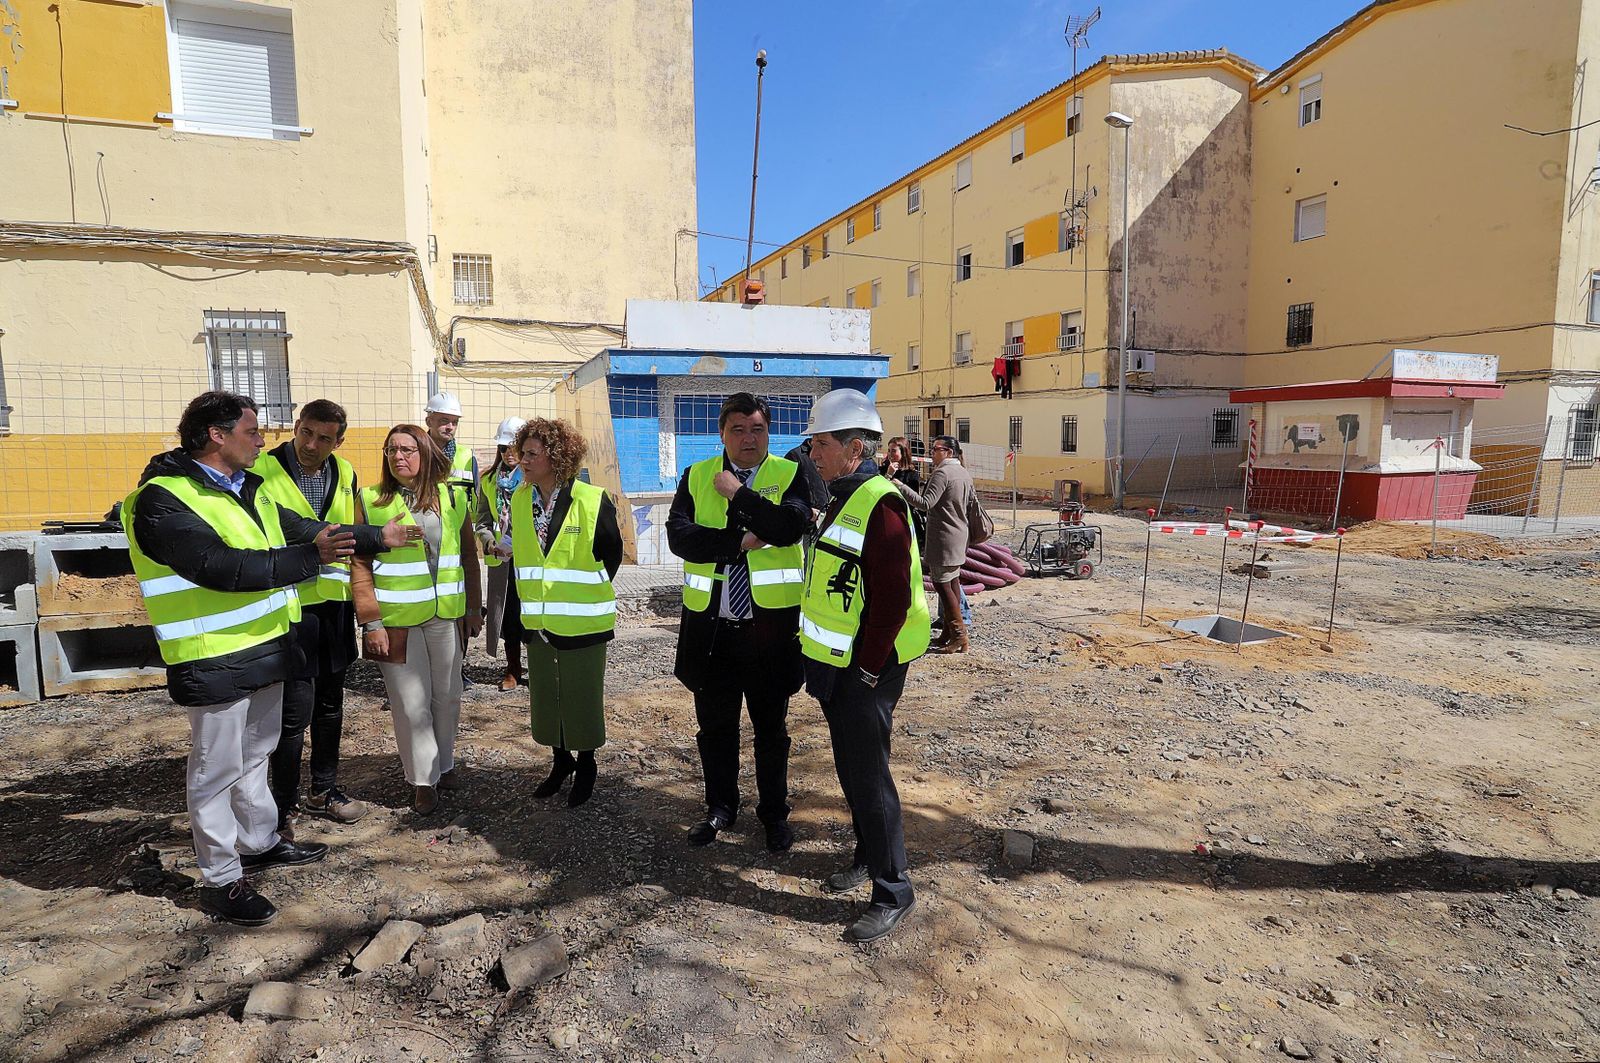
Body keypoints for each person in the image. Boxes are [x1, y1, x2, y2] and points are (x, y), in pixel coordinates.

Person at [124, 391, 404, 927]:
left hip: (267, 649)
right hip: (213, 657)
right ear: (217, 435)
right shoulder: (163, 500)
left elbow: (305, 529)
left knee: (257, 753)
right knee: (215, 770)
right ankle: (222, 879)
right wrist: (308, 559)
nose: (261, 440)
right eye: (252, 431)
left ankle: (258, 840)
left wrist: (377, 537)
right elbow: (219, 566)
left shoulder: (247, 489)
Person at [800, 389, 931, 944]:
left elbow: (893, 600)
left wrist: (871, 670)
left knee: (870, 777)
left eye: (822, 443)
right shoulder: (842, 494)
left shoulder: (882, 505)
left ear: (855, 448)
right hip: (840, 664)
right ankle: (865, 854)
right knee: (853, 770)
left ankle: (893, 890)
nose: (813, 452)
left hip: (866, 668)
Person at [253, 399, 412, 835]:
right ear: (297, 426)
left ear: (339, 441)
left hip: (335, 604)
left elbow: (351, 547)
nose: (312, 444)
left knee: (329, 706)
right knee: (292, 713)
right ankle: (281, 806)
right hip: (288, 607)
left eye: (325, 438)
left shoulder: (345, 473)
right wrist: (373, 536)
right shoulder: (261, 471)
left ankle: (323, 790)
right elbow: (291, 525)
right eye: (306, 432)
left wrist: (365, 607)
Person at [666, 393, 811, 852]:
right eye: (738, 430)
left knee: (772, 733)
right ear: (722, 434)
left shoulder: (791, 473)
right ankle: (720, 809)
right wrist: (739, 542)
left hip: (768, 635)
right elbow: (680, 537)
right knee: (716, 731)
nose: (748, 439)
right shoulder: (695, 475)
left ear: (769, 433)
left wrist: (739, 494)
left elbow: (790, 526)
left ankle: (774, 814)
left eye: (757, 430)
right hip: (712, 634)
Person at [352, 425, 483, 815]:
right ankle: (423, 780)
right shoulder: (371, 500)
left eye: (407, 450)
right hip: (396, 623)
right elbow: (358, 563)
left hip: (446, 617)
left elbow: (467, 558)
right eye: (391, 450)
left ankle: (444, 765)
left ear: (425, 454)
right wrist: (370, 622)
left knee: (448, 697)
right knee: (412, 706)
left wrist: (473, 609)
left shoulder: (452, 497)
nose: (398, 457)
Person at [511, 418, 622, 808]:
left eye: (530, 453)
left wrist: (583, 590)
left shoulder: (592, 499)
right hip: (538, 623)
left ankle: (587, 763)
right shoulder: (520, 498)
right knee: (547, 697)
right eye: (521, 451)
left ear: (556, 456)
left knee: (582, 697)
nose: (521, 458)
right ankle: (561, 762)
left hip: (583, 623)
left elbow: (612, 554)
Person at [892, 434, 975, 654]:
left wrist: (898, 485)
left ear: (948, 452)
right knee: (953, 583)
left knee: (942, 585)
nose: (932, 453)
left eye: (936, 449)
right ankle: (949, 633)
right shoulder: (963, 472)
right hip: (959, 535)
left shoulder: (943, 473)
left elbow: (925, 503)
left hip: (944, 537)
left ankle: (959, 635)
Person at [477, 416, 527, 691]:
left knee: (532, 612)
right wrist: (488, 543)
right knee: (507, 615)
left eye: (514, 447)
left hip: (531, 560)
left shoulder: (534, 480)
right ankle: (513, 667)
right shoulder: (488, 480)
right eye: (504, 448)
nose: (509, 453)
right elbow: (482, 519)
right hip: (502, 560)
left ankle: (544, 666)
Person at [880, 436, 926, 547]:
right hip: (883, 516)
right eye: (889, 450)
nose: (890, 454)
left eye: (894, 451)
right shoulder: (882, 470)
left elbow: (912, 500)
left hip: (902, 520)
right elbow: (879, 490)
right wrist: (888, 475)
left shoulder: (911, 474)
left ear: (903, 452)